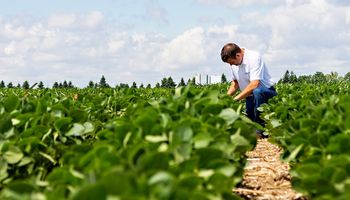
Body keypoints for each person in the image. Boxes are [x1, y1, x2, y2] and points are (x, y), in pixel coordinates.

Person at [220, 43, 277, 138]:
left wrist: (235, 99)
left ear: (238, 55)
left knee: (257, 91)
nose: (231, 65)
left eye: (232, 62)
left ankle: (260, 130)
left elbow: (255, 84)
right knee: (249, 123)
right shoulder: (234, 63)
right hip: (250, 96)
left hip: (266, 93)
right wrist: (226, 98)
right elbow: (235, 83)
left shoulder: (254, 58)